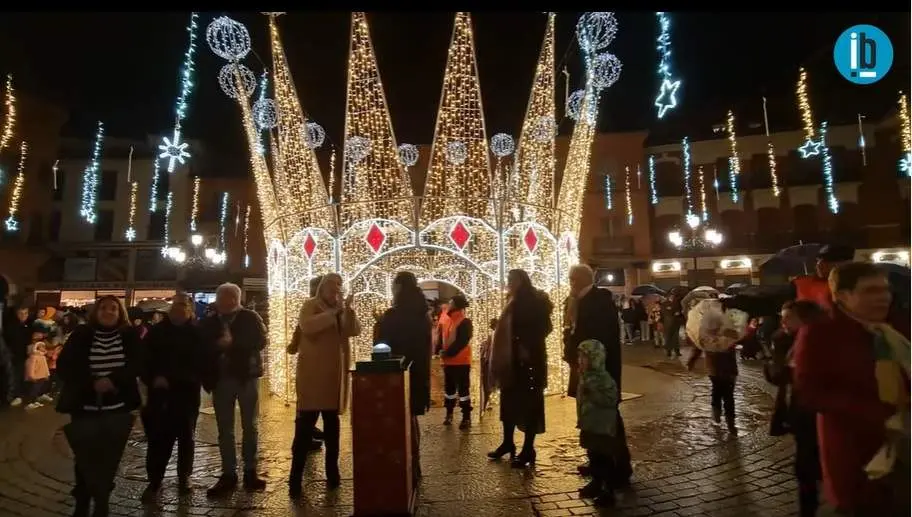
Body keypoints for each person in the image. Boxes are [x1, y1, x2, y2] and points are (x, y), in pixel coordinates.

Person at [794, 262, 910, 515]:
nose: (883, 297)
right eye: (870, 291)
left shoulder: (897, 329)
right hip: (856, 453)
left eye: (885, 290)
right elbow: (810, 393)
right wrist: (879, 414)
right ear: (843, 296)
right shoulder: (820, 333)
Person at [56, 296, 142, 517]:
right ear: (96, 311)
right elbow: (66, 365)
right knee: (84, 456)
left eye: (113, 308)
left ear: (120, 312)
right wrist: (92, 381)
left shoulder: (129, 335)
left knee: (109, 457)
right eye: (103, 307)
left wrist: (113, 380)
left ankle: (102, 500)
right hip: (85, 407)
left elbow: (137, 363)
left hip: (117, 407)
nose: (108, 312)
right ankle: (82, 500)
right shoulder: (82, 335)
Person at [289, 273, 361, 495]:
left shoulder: (340, 308)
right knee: (303, 430)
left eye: (338, 287)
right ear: (322, 289)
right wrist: (333, 313)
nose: (335, 291)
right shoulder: (310, 305)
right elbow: (308, 327)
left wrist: (348, 311)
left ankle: (333, 471)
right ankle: (295, 477)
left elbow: (353, 330)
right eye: (332, 287)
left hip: (333, 380)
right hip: (312, 378)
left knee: (332, 429)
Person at [564, 264, 632, 486]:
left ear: (583, 279)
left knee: (607, 420)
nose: (570, 284)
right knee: (591, 418)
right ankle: (600, 464)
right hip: (585, 370)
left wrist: (584, 357)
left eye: (573, 280)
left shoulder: (599, 301)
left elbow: (599, 339)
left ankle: (615, 469)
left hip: (600, 373)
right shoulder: (576, 302)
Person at [201, 283, 268, 496]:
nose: (225, 300)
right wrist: (217, 346)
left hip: (246, 377)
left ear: (237, 298)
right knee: (225, 429)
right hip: (221, 380)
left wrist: (233, 343)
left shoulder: (250, 317)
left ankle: (250, 470)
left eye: (230, 296)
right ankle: (228, 473)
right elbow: (202, 345)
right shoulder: (210, 322)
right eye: (222, 296)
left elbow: (260, 341)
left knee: (250, 426)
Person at [141, 293, 207, 500]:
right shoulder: (157, 332)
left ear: (190, 309)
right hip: (161, 393)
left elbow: (203, 362)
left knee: (186, 436)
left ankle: (184, 476)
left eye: (184, 305)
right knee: (158, 437)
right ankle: (155, 480)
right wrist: (153, 377)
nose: (179, 308)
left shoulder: (197, 333)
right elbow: (145, 359)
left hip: (186, 393)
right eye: (176, 305)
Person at [765, 300, 825, 517]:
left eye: (788, 318)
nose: (782, 322)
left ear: (805, 320)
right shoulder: (785, 341)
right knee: (805, 469)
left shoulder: (820, 342)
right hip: (799, 414)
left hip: (818, 414)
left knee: (813, 466)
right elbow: (777, 377)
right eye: (781, 317)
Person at [488, 269, 553, 468]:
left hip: (529, 362)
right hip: (512, 362)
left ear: (521, 281)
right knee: (509, 403)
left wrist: (522, 340)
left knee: (529, 405)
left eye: (511, 279)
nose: (508, 282)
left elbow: (543, 328)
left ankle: (528, 448)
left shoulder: (533, 302)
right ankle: (508, 442)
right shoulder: (512, 300)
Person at [374, 271, 432, 483]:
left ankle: (404, 468)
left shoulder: (393, 315)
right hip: (418, 372)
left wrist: (379, 324)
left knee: (400, 421)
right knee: (412, 419)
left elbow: (382, 346)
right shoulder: (423, 314)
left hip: (396, 375)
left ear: (398, 287)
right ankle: (415, 464)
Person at [576, 339, 620, 508]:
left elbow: (610, 400)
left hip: (602, 426)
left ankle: (607, 490)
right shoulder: (585, 377)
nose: (580, 361)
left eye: (584, 357)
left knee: (604, 458)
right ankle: (596, 482)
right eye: (579, 357)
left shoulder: (604, 379)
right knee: (593, 455)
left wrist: (593, 394)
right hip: (590, 424)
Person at [686, 299, 740, 434]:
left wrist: (691, 361)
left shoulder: (705, 328)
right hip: (725, 367)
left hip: (716, 368)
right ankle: (729, 423)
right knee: (727, 395)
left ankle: (718, 418)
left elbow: (698, 346)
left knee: (718, 392)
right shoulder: (728, 325)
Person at [436, 295, 473, 429]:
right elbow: (442, 338)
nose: (448, 304)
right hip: (448, 362)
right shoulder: (447, 320)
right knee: (449, 390)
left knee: (463, 391)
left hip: (461, 362)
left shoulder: (464, 321)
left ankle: (466, 417)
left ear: (456, 305)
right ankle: (449, 413)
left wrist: (448, 353)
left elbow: (462, 341)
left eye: (450, 302)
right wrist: (439, 350)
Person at [790, 244, 854, 311]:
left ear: (848, 262)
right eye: (818, 260)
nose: (819, 264)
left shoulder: (859, 283)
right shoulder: (800, 283)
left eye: (829, 260)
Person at [4, 305, 33, 407]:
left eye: (25, 313)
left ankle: (21, 394)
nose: (23, 316)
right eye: (21, 313)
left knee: (24, 375)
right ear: (17, 314)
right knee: (15, 376)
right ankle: (16, 395)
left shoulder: (28, 325)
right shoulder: (11, 326)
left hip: (25, 355)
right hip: (14, 355)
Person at [23, 324, 53, 409]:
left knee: (40, 386)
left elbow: (45, 364)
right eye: (36, 333)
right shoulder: (33, 354)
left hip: (41, 372)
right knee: (34, 387)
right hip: (35, 372)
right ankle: (31, 401)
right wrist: (31, 375)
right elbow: (31, 365)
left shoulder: (42, 353)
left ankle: (37, 398)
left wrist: (46, 374)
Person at [660, 292, 683, 358]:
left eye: (673, 296)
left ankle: (677, 351)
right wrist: (673, 313)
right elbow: (665, 313)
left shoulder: (677, 304)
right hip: (668, 324)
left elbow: (679, 312)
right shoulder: (664, 304)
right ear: (668, 297)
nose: (672, 297)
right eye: (671, 296)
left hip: (676, 323)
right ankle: (669, 351)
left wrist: (677, 313)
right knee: (668, 337)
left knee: (675, 338)